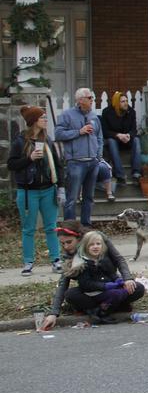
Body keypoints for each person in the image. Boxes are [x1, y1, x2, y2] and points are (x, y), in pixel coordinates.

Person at [40, 221, 142, 330]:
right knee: (70, 294)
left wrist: (127, 279)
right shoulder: (71, 256)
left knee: (138, 288)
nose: (66, 246)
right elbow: (63, 283)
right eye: (62, 243)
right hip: (91, 290)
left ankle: (106, 307)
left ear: (79, 239)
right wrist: (54, 313)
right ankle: (104, 308)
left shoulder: (97, 239)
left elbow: (118, 259)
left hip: (110, 283)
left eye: (69, 242)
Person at [7, 105, 64, 276]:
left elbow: (58, 165)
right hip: (27, 192)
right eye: (43, 118)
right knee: (28, 228)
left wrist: (61, 187)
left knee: (51, 227)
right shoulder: (19, 141)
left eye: (46, 117)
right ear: (34, 121)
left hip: (48, 189)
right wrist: (29, 158)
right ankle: (28, 262)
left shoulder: (48, 140)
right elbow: (11, 165)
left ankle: (56, 260)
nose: (46, 120)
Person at [59, 230, 146, 324]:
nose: (95, 247)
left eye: (98, 244)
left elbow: (111, 273)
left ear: (103, 246)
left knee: (137, 288)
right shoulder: (83, 263)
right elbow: (85, 284)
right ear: (85, 247)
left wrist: (119, 280)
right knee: (71, 294)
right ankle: (102, 312)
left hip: (108, 289)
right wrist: (105, 286)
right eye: (91, 245)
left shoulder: (104, 258)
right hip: (93, 292)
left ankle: (108, 307)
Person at [55, 87, 103, 225]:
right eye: (89, 98)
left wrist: (98, 155)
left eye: (92, 98)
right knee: (71, 198)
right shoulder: (67, 115)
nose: (92, 100)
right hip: (76, 162)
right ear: (80, 100)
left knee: (89, 197)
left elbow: (99, 137)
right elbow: (58, 134)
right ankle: (70, 228)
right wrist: (78, 132)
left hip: (92, 162)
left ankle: (86, 227)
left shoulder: (94, 116)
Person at [100, 90, 143, 189]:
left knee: (136, 140)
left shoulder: (131, 112)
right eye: (122, 101)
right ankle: (120, 175)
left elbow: (134, 129)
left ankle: (136, 173)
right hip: (114, 140)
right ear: (116, 103)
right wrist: (118, 135)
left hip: (127, 140)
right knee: (111, 141)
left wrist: (128, 135)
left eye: (126, 101)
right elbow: (105, 132)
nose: (126, 103)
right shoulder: (107, 112)